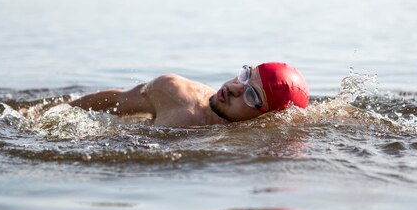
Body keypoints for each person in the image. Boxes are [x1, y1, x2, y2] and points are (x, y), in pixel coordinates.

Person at [67, 62, 310, 127]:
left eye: (251, 95)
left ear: (266, 119)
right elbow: (118, 100)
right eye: (245, 76)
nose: (234, 88)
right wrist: (52, 112)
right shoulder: (174, 93)